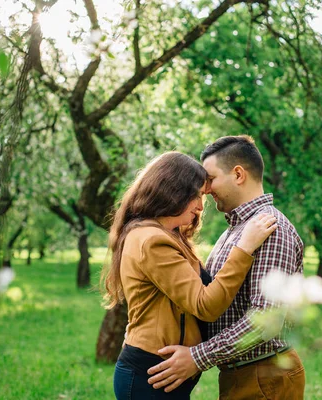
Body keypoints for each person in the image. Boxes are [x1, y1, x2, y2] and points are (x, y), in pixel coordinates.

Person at [103, 151, 279, 400]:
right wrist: (244, 248)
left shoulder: (159, 233)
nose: (200, 206)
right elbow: (205, 305)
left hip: (160, 372)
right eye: (196, 195)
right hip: (152, 375)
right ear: (174, 192)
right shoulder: (153, 241)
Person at [147, 136, 306, 400]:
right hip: (241, 374)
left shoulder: (272, 230)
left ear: (238, 174)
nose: (205, 190)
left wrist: (197, 358)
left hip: (266, 376)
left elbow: (265, 321)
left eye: (210, 179)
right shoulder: (237, 230)